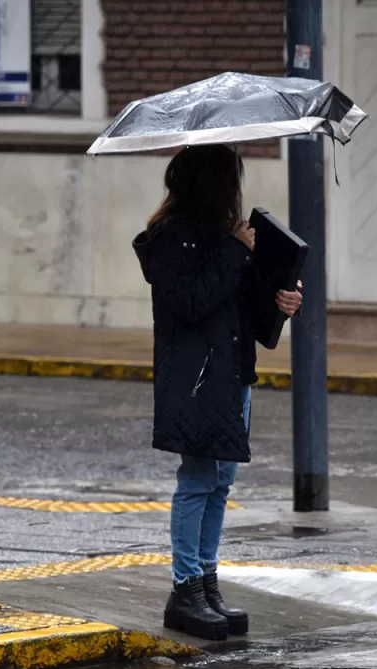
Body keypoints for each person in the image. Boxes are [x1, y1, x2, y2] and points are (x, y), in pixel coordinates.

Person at [132, 145, 302, 641]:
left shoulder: (229, 238)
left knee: (221, 480)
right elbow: (190, 303)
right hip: (197, 378)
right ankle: (185, 588)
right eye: (229, 180)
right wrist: (235, 251)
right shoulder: (169, 238)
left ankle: (206, 582)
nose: (235, 191)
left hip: (232, 375)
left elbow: (245, 313)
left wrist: (282, 302)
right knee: (198, 478)